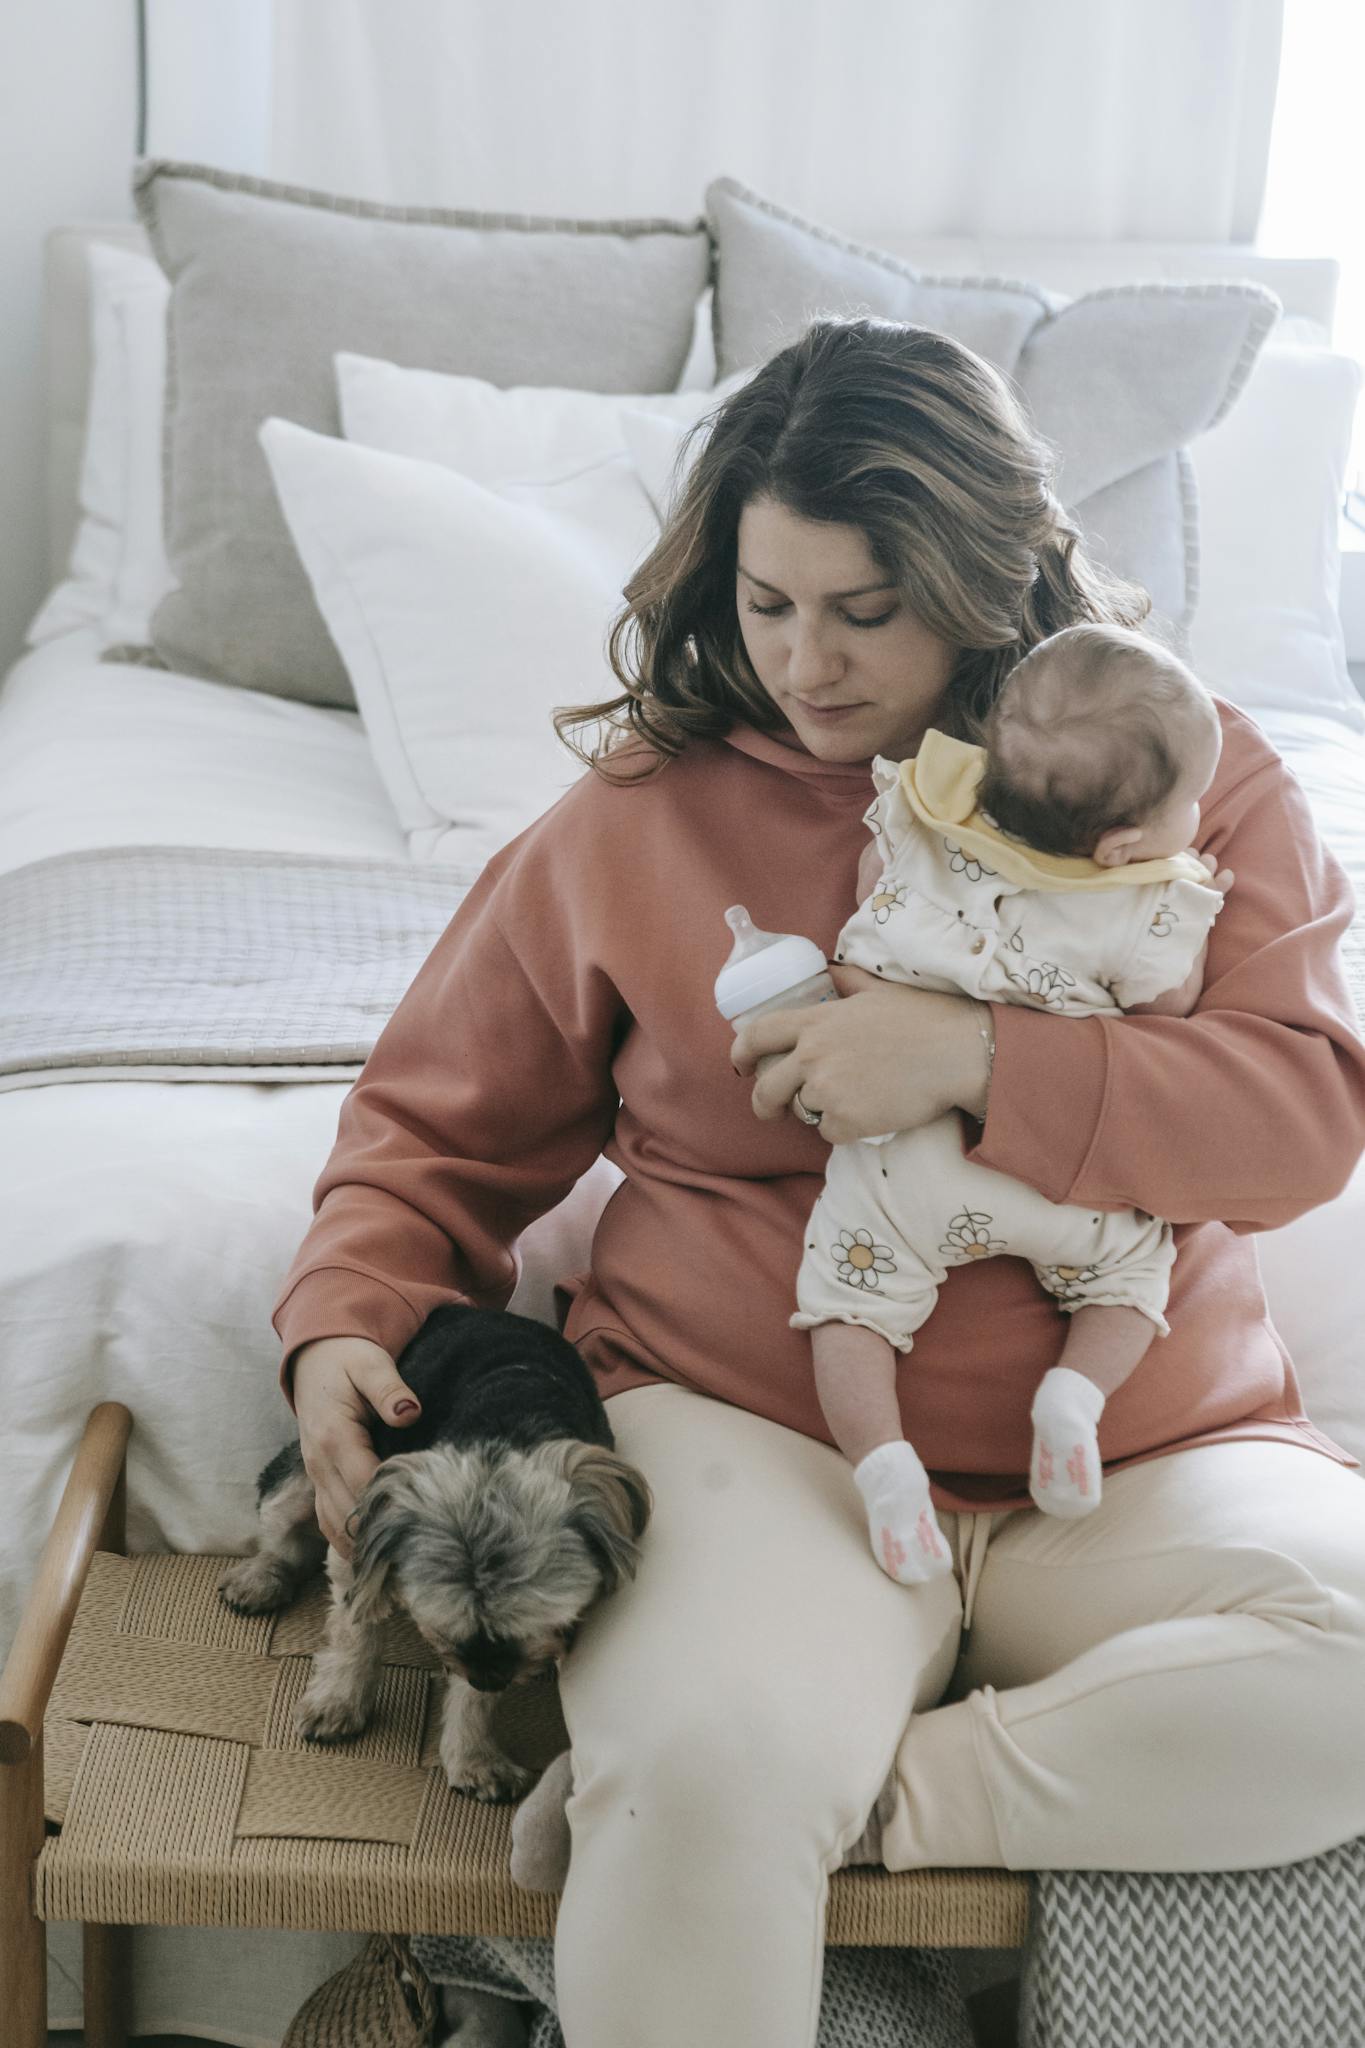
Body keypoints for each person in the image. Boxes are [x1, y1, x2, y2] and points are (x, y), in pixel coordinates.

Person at [271, 317, 1365, 2048]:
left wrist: (980, 1059)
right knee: (707, 1763)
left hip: (1148, 1439)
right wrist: (342, 1316)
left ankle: (864, 1807)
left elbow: (1304, 1113)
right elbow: (431, 1128)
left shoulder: (1189, 765)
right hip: (760, 1427)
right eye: (769, 604)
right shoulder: (641, 817)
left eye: (868, 611)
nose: (809, 664)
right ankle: (721, 1799)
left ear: (992, 578)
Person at [798, 624, 1231, 1578]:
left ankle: (881, 1468)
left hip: (905, 1166)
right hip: (1065, 1179)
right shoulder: (1146, 902)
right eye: (1190, 804)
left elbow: (867, 901)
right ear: (1122, 845)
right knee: (1128, 1285)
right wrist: (1188, 920)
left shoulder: (921, 822)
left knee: (849, 1310)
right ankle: (1072, 1399)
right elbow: (1171, 1013)